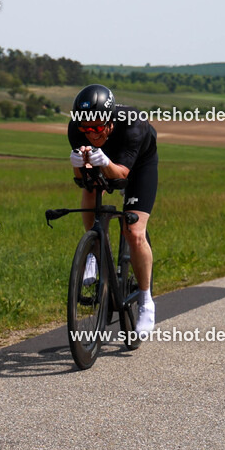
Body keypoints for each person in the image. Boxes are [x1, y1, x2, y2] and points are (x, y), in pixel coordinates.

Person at [67, 84, 158, 334]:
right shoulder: (76, 128)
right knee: (91, 188)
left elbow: (121, 175)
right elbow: (83, 179)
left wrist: (105, 161)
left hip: (138, 165)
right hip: (105, 157)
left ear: (110, 121)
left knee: (134, 232)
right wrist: (77, 165)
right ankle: (94, 251)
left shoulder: (133, 124)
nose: (91, 134)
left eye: (97, 128)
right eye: (86, 129)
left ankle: (146, 300)